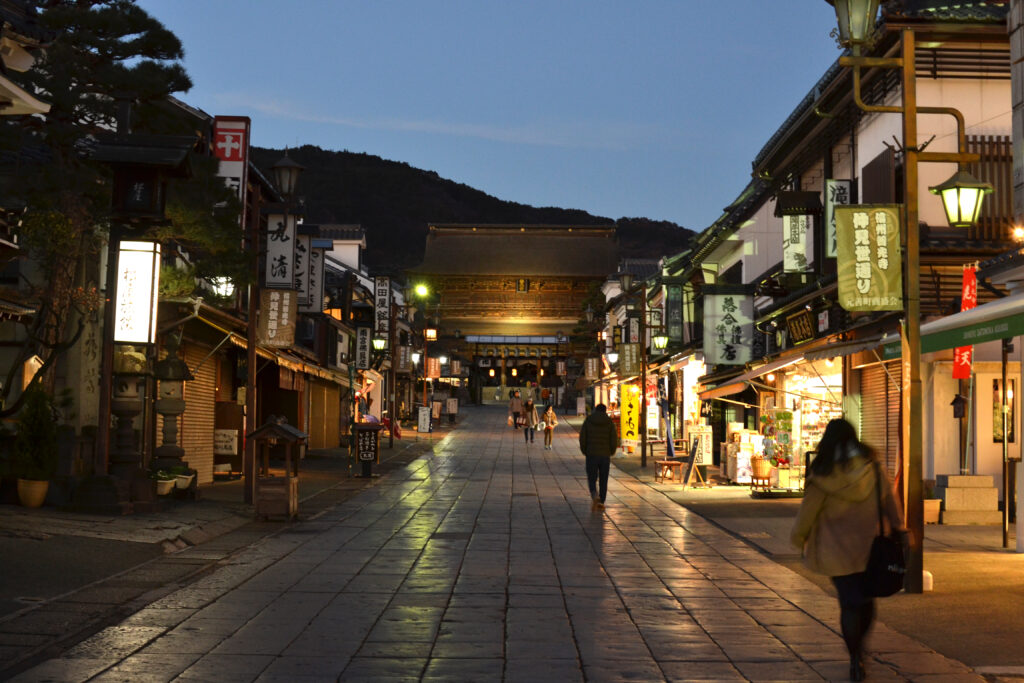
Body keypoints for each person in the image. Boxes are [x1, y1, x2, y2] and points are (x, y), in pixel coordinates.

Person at [790, 418, 905, 682]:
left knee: (849, 603)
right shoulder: (872, 469)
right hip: (869, 547)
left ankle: (855, 656)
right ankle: (860, 647)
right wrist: (898, 527)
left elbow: (808, 512)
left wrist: (799, 538)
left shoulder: (822, 474)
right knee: (866, 600)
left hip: (836, 551)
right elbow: (889, 501)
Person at [578, 403, 618, 512]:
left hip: (591, 454)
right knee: (603, 479)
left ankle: (594, 495)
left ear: (595, 410)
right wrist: (612, 451)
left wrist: (585, 450)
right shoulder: (609, 422)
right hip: (605, 455)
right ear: (605, 411)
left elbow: (583, 437)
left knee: (592, 477)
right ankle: (601, 501)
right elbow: (614, 439)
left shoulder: (589, 420)